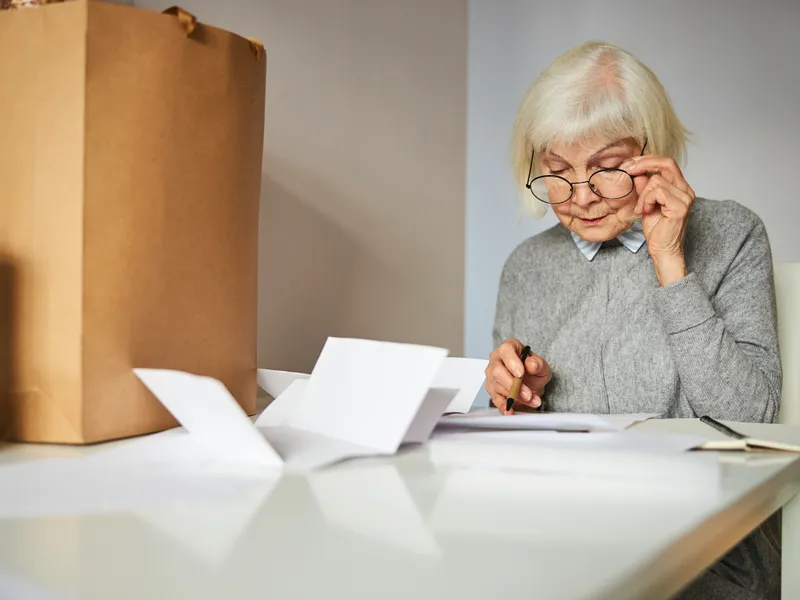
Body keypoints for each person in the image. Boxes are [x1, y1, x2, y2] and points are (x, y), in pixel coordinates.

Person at [485, 41, 782, 599]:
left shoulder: (733, 233)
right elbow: (515, 444)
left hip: (706, 550)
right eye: (557, 172)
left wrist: (671, 263)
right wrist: (518, 393)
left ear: (654, 152)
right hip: (561, 538)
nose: (583, 197)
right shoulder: (526, 265)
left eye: (608, 168)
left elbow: (753, 419)